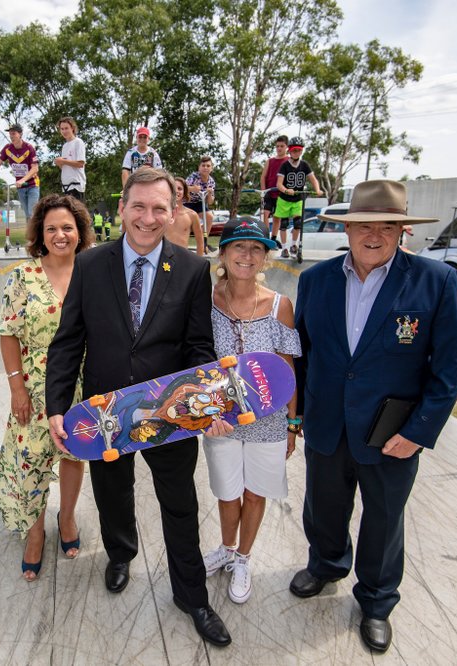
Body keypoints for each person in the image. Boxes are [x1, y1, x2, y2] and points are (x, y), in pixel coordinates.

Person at [45, 168, 232, 648]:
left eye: (159, 208)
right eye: (139, 207)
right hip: (106, 412)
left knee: (180, 505)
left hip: (170, 415)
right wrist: (57, 407)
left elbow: (199, 346)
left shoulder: (192, 270)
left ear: (174, 212)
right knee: (112, 491)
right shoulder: (90, 265)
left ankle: (191, 596)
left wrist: (202, 401)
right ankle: (121, 553)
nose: (149, 218)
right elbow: (68, 343)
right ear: (122, 208)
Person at [289, 180, 457, 654]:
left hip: (392, 433)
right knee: (324, 507)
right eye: (364, 225)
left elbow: (450, 369)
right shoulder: (315, 280)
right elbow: (303, 353)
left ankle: (377, 600)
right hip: (327, 423)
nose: (374, 235)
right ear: (347, 230)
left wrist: (418, 433)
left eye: (387, 226)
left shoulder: (436, 281)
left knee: (384, 520)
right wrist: (299, 413)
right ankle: (326, 565)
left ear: (401, 229)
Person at [201, 218, 299, 605]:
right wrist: (205, 414)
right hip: (221, 420)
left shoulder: (280, 306)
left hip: (269, 421)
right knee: (227, 493)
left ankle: (243, 557)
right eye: (239, 246)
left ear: (265, 257)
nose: (247, 254)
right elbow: (198, 362)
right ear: (223, 254)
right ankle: (226, 548)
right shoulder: (206, 300)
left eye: (256, 248)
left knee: (254, 493)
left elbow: (288, 368)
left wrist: (292, 423)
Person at [0, 194, 93, 580]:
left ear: (79, 231)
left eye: (67, 227)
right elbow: (7, 333)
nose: (60, 234)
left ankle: (66, 518)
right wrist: (16, 388)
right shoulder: (22, 276)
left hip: (82, 382)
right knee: (32, 461)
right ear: (40, 232)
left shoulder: (93, 272)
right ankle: (34, 533)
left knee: (73, 455)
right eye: (51, 228)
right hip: (34, 385)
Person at [274, 137, 322, 257]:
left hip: (298, 200)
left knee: (297, 223)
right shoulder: (285, 165)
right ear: (289, 151)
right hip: (284, 200)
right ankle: (284, 248)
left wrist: (317, 189)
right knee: (284, 224)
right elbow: (279, 184)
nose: (296, 153)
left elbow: (313, 179)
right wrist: (286, 190)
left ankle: (293, 245)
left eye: (299, 150)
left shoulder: (304, 165)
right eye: (294, 150)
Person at [0, 123, 40, 220]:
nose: (11, 136)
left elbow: (35, 168)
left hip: (32, 185)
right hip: (20, 187)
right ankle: (30, 235)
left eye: (14, 133)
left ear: (20, 134)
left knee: (32, 214)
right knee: (27, 215)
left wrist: (23, 180)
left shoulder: (29, 148)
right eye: (10, 134)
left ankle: (37, 235)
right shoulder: (7, 148)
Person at [259, 136, 288, 252]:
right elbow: (263, 177)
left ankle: (274, 239)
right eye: (277, 146)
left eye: (282, 146)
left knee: (277, 217)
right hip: (269, 192)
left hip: (281, 193)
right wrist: (263, 191)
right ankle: (265, 237)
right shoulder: (270, 161)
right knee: (264, 214)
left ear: (286, 147)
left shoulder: (288, 161)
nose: (279, 148)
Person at [169, 176, 204, 255]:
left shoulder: (192, 215)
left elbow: (200, 241)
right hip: (163, 259)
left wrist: (199, 263)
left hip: (183, 258)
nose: (176, 191)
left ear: (184, 193)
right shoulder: (162, 213)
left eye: (179, 189)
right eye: (173, 188)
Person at [54, 117, 86, 202]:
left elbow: (80, 163)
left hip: (76, 185)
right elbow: (65, 167)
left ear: (72, 128)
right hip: (66, 185)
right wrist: (59, 163)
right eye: (62, 129)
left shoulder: (78, 142)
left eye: (66, 128)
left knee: (77, 214)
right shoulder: (64, 146)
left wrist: (63, 161)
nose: (64, 131)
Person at [185, 156, 216, 234]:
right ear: (199, 167)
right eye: (203, 165)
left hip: (199, 203)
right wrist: (192, 189)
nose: (205, 168)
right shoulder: (194, 176)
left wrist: (209, 194)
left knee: (209, 216)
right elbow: (182, 188)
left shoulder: (211, 182)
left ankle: (203, 242)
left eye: (208, 166)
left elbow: (210, 202)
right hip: (186, 202)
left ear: (211, 168)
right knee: (187, 220)